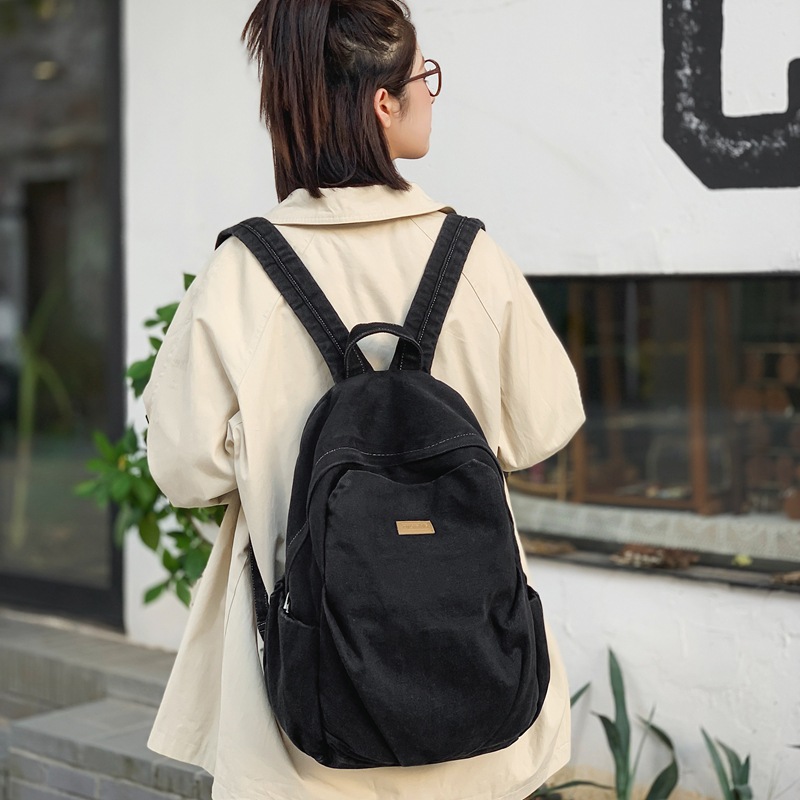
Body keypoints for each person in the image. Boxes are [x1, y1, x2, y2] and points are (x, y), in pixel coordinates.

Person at [144, 1, 585, 798]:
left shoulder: (242, 272)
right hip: (473, 685)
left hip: (306, 710)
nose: (429, 94)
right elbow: (545, 425)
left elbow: (184, 471)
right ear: (384, 101)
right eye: (424, 77)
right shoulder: (470, 257)